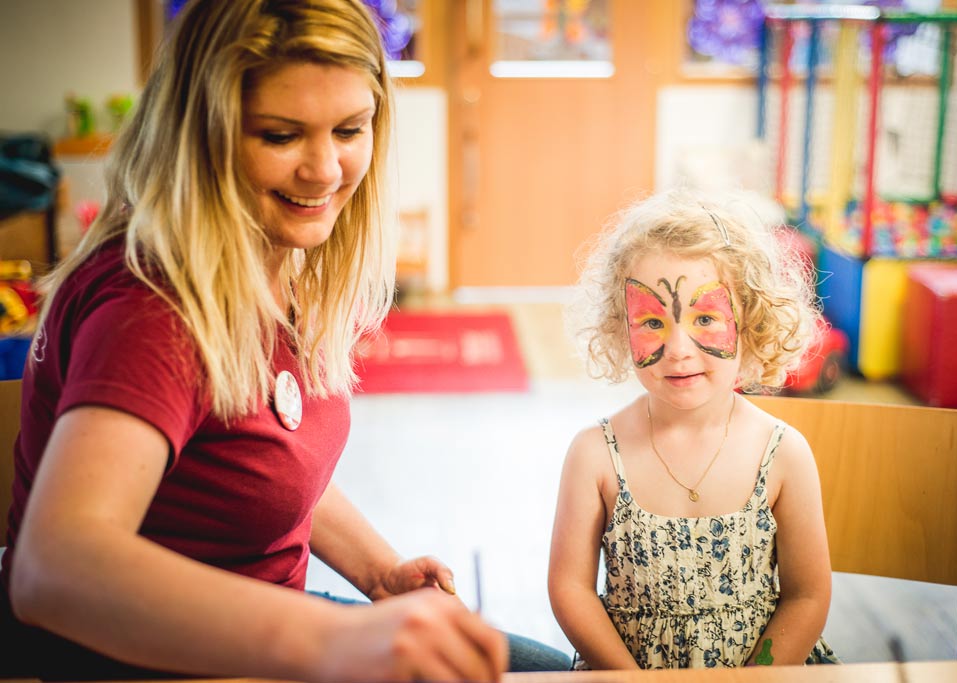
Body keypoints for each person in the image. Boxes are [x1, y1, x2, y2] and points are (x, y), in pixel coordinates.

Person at [0, 0, 566, 679]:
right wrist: (330, 641)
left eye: (350, 129)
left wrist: (379, 573)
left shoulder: (270, 248)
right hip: (157, 661)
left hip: (260, 626)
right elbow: (48, 569)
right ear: (201, 136)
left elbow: (256, 462)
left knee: (542, 667)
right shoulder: (152, 312)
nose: (325, 170)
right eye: (280, 135)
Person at [548, 189, 840, 669]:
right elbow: (570, 589)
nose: (679, 348)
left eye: (705, 317)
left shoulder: (784, 454)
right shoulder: (595, 455)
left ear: (751, 322)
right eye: (652, 321)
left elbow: (808, 597)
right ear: (621, 328)